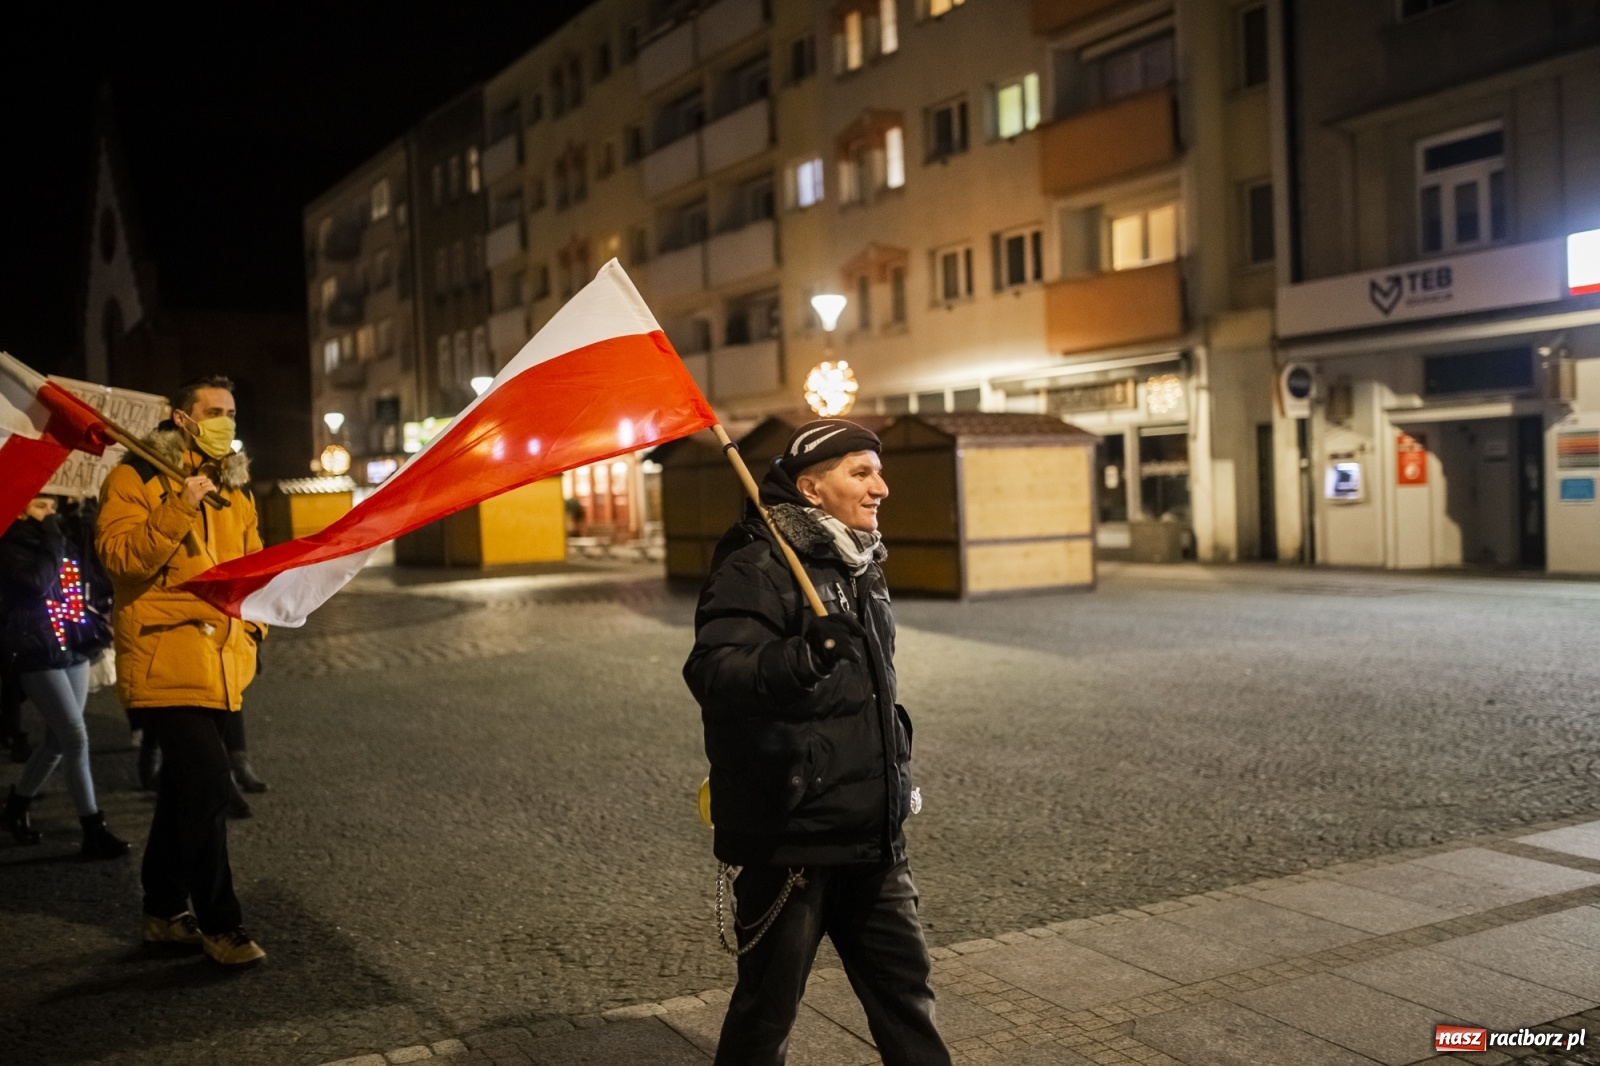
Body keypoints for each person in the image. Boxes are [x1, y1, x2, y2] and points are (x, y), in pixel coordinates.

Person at [684, 419, 949, 1066]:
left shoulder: (860, 563)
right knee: (765, 1016)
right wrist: (800, 657)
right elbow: (715, 674)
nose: (880, 487)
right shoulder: (757, 566)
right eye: (861, 472)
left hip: (873, 832)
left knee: (908, 1004)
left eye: (877, 472)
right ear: (811, 487)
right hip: (793, 838)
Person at [97, 376, 266, 966]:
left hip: (220, 661)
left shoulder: (236, 486)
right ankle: (222, 925)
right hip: (163, 656)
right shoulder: (136, 475)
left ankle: (163, 912)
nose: (226, 420)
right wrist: (178, 507)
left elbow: (251, 567)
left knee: (182, 794)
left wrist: (255, 629)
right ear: (183, 418)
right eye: (214, 411)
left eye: (232, 411)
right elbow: (119, 559)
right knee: (210, 784)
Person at [0, 495, 129, 858]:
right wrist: (52, 535)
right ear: (21, 506)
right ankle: (93, 829)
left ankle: (16, 806)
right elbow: (38, 582)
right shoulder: (10, 542)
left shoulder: (61, 534)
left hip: (74, 644)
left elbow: (89, 572)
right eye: (41, 504)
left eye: (52, 504)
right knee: (75, 737)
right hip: (36, 650)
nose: (50, 510)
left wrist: (81, 516)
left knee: (58, 740)